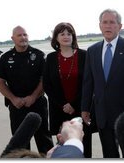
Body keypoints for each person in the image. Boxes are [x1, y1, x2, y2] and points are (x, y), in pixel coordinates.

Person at [81, 9, 124, 158]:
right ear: (100, 26)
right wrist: (85, 109)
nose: (108, 26)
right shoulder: (92, 51)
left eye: (112, 22)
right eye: (104, 22)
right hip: (103, 116)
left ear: (120, 26)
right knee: (109, 155)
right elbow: (88, 83)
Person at [0, 26, 54, 155]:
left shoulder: (39, 55)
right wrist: (13, 99)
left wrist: (33, 97)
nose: (23, 38)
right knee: (20, 143)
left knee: (44, 140)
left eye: (25, 35)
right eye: (19, 35)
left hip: (38, 104)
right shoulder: (6, 58)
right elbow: (0, 82)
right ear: (12, 38)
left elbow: (44, 79)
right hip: (17, 106)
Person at [42, 22, 92, 158]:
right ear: (56, 38)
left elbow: (88, 83)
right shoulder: (51, 58)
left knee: (84, 147)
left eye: (69, 34)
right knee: (62, 148)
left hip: (81, 109)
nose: (66, 36)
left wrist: (73, 104)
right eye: (62, 34)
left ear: (73, 36)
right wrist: (63, 104)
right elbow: (47, 85)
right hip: (59, 110)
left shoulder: (84, 55)